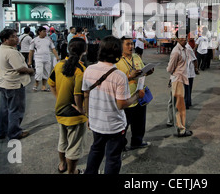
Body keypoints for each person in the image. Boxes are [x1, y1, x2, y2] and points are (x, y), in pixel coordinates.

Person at [82, 36, 143, 174]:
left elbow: (86, 95)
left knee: (96, 150)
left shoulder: (89, 69)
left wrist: (88, 116)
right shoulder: (119, 76)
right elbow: (122, 104)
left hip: (96, 122)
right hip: (114, 126)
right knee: (113, 157)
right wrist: (136, 96)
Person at [48, 38, 88, 174]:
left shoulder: (59, 65)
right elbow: (78, 94)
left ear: (68, 49)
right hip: (75, 115)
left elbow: (51, 83)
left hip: (60, 111)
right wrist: (82, 110)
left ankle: (62, 164)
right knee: (74, 145)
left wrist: (58, 98)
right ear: (85, 51)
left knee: (62, 140)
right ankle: (72, 172)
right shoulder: (81, 70)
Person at [116, 36, 154, 151]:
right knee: (123, 125)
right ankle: (120, 146)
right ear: (121, 46)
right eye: (127, 44)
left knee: (139, 122)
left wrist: (148, 72)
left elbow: (142, 72)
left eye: (131, 44)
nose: (131, 46)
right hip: (125, 98)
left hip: (139, 95)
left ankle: (137, 141)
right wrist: (129, 76)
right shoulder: (117, 61)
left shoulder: (136, 57)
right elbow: (114, 80)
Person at [0, 28, 34, 140]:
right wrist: (31, 70)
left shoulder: (1, 49)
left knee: (4, 109)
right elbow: (20, 68)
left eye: (16, 36)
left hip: (3, 83)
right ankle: (14, 133)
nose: (17, 38)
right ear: (5, 40)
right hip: (14, 84)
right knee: (15, 110)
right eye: (13, 37)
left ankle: (2, 131)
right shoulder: (11, 52)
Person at [167, 31, 193, 137]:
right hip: (178, 79)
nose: (184, 39)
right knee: (180, 105)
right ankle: (181, 129)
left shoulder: (185, 49)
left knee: (172, 102)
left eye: (185, 37)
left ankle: (170, 120)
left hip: (177, 78)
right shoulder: (176, 51)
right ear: (177, 39)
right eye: (181, 37)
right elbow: (169, 68)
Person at [28, 26, 60, 92]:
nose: (45, 33)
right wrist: (29, 61)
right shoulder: (34, 40)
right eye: (44, 31)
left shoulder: (48, 39)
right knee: (39, 72)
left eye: (46, 31)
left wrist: (57, 57)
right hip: (38, 58)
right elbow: (31, 51)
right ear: (39, 32)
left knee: (46, 72)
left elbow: (53, 49)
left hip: (47, 58)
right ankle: (36, 85)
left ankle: (44, 86)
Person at [184, 40, 199, 109]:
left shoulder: (188, 48)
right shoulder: (182, 47)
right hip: (185, 71)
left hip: (188, 72)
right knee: (187, 89)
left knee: (187, 89)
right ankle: (188, 102)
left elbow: (195, 59)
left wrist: (196, 69)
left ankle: (187, 103)